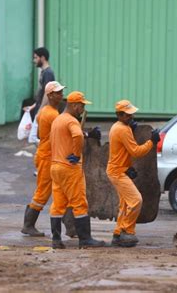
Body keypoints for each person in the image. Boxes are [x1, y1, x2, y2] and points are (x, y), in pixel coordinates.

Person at [48, 91, 105, 249]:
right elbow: (78, 136)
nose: (82, 108)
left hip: (56, 167)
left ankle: (56, 239)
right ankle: (85, 239)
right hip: (69, 168)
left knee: (58, 204)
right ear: (74, 105)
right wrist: (76, 154)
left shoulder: (58, 120)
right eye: (81, 105)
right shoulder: (72, 121)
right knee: (79, 203)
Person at [106, 100, 160, 247]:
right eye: (128, 115)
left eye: (132, 114)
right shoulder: (122, 129)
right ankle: (127, 231)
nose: (131, 117)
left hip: (118, 170)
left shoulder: (119, 126)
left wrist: (127, 167)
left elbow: (122, 152)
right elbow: (135, 151)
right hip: (117, 172)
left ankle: (118, 234)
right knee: (136, 200)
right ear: (120, 115)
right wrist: (152, 142)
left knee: (124, 205)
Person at [21, 81, 66, 237]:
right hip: (48, 157)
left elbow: (40, 134)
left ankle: (71, 227)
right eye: (58, 92)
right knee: (42, 193)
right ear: (50, 95)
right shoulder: (52, 114)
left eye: (61, 92)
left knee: (62, 191)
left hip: (45, 154)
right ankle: (28, 224)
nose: (61, 95)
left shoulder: (44, 112)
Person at [24, 47, 55, 117]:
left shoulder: (48, 73)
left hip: (44, 112)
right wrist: (32, 107)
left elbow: (47, 94)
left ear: (42, 58)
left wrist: (40, 110)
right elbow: (42, 94)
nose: (34, 60)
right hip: (41, 110)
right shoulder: (44, 72)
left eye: (36, 58)